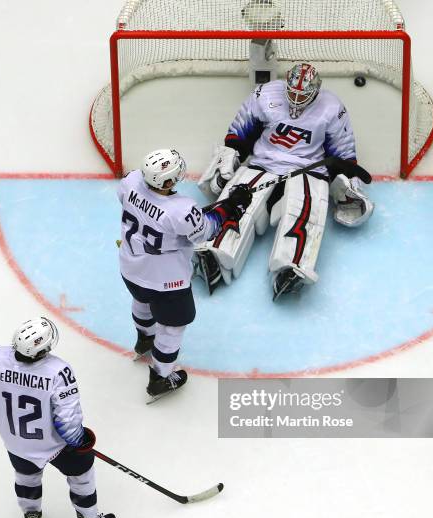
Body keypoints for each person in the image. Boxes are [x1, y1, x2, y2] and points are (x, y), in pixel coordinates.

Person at [195, 62, 375, 300]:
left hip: (308, 169)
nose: (296, 98)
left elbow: (343, 151)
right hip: (263, 162)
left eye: (303, 94)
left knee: (304, 210)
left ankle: (292, 264)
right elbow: (241, 130)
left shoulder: (332, 108)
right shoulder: (265, 93)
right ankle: (216, 250)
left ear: (316, 90)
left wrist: (346, 181)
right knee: (239, 201)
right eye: (292, 92)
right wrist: (231, 155)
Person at [0, 317, 116, 518]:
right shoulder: (58, 371)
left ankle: (31, 515)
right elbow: (68, 422)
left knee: (26, 476)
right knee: (81, 473)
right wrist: (80, 441)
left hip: (15, 443)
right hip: (55, 446)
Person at [117, 148, 251, 401]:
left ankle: (144, 339)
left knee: (142, 301)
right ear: (167, 181)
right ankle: (161, 377)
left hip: (131, 266)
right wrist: (232, 206)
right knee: (173, 326)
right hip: (167, 281)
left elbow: (138, 207)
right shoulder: (181, 209)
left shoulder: (131, 180)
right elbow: (205, 231)